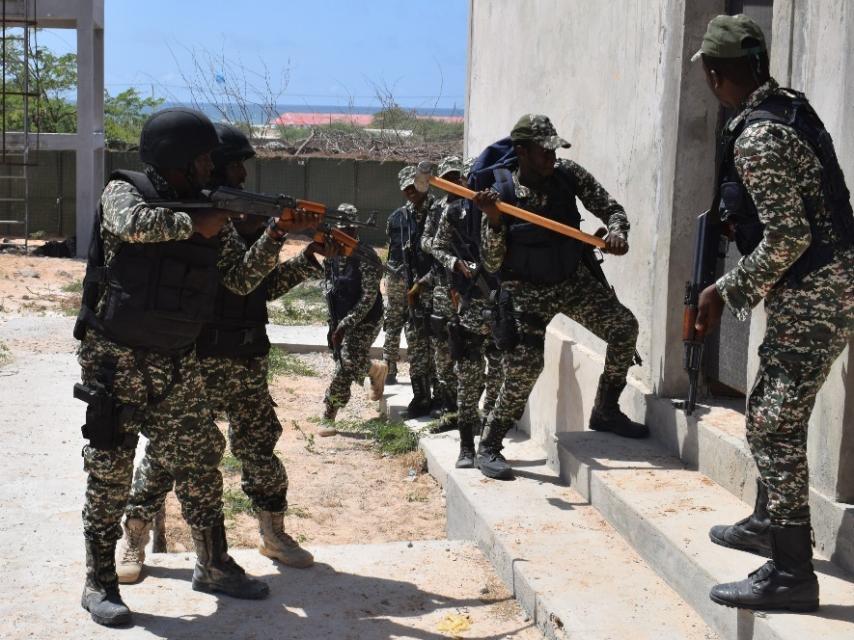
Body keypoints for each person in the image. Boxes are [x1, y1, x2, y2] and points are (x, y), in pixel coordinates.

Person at [73, 107, 316, 626]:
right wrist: (198, 220)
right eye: (206, 158)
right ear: (179, 160)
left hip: (175, 363)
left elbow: (240, 280)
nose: (214, 166)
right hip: (116, 362)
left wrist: (276, 236)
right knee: (110, 471)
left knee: (201, 457)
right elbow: (132, 225)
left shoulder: (213, 213)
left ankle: (214, 563)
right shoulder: (126, 190)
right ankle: (100, 579)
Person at [692, 14, 854, 612]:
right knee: (772, 401)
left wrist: (723, 291)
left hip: (818, 290)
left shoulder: (759, 136)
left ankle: (791, 573)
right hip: (823, 285)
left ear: (715, 75)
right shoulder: (789, 107)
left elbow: (787, 236)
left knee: (771, 422)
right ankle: (767, 520)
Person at [472, 114, 646, 481]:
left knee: (623, 327)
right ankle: (489, 445)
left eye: (554, 149)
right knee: (526, 366)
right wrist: (492, 221)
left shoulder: (568, 175)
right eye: (543, 151)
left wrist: (616, 233)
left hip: (570, 279)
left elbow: (612, 208)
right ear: (521, 151)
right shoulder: (501, 193)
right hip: (526, 291)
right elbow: (490, 261)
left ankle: (605, 409)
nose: (551, 158)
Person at [430, 158, 502, 467]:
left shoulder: (504, 210)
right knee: (469, 380)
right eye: (473, 179)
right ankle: (466, 447)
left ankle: (489, 441)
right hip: (471, 307)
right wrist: (454, 264)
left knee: (499, 378)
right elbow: (437, 245)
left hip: (500, 309)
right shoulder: (454, 212)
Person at [320, 203, 387, 435]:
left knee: (347, 361)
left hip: (367, 318)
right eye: (339, 230)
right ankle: (374, 371)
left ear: (356, 232)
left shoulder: (367, 256)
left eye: (348, 231)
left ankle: (329, 415)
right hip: (341, 319)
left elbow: (368, 297)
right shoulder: (331, 257)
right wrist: (333, 324)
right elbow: (329, 291)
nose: (343, 235)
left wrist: (345, 324)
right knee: (346, 362)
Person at [386, 165, 437, 417]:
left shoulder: (439, 212)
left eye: (413, 186)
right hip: (411, 290)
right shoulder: (400, 217)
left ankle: (442, 398)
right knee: (416, 342)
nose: (410, 192)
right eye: (405, 188)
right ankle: (421, 397)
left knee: (438, 345)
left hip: (437, 288)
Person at [420, 156, 464, 427]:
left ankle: (466, 407)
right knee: (441, 346)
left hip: (469, 288)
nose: (452, 183)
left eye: (455, 177)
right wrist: (442, 251)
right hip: (442, 284)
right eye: (446, 178)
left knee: (467, 347)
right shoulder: (437, 209)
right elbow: (426, 239)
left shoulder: (470, 206)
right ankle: (448, 406)